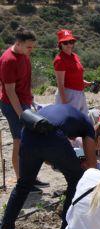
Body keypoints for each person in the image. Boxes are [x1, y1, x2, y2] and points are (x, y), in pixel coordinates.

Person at [0, 104, 97, 229]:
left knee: (23, 185)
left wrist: (57, 162)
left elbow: (43, 153)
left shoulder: (61, 112)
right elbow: (92, 166)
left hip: (28, 135)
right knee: (76, 180)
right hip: (52, 137)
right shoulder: (88, 125)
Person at [0, 27, 45, 189]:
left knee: (29, 141)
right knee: (19, 141)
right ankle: (22, 181)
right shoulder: (8, 60)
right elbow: (10, 92)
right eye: (29, 47)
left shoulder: (24, 55)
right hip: (12, 106)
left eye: (33, 47)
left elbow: (25, 81)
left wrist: (30, 99)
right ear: (18, 43)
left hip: (24, 103)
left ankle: (30, 176)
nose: (31, 50)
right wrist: (21, 115)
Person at [53, 29, 91, 115]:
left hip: (79, 93)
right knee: (70, 121)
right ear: (60, 44)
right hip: (68, 94)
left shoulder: (75, 56)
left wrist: (83, 82)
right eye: (65, 42)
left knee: (83, 119)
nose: (69, 45)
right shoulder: (60, 60)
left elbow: (75, 73)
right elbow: (60, 84)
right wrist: (64, 102)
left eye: (71, 41)